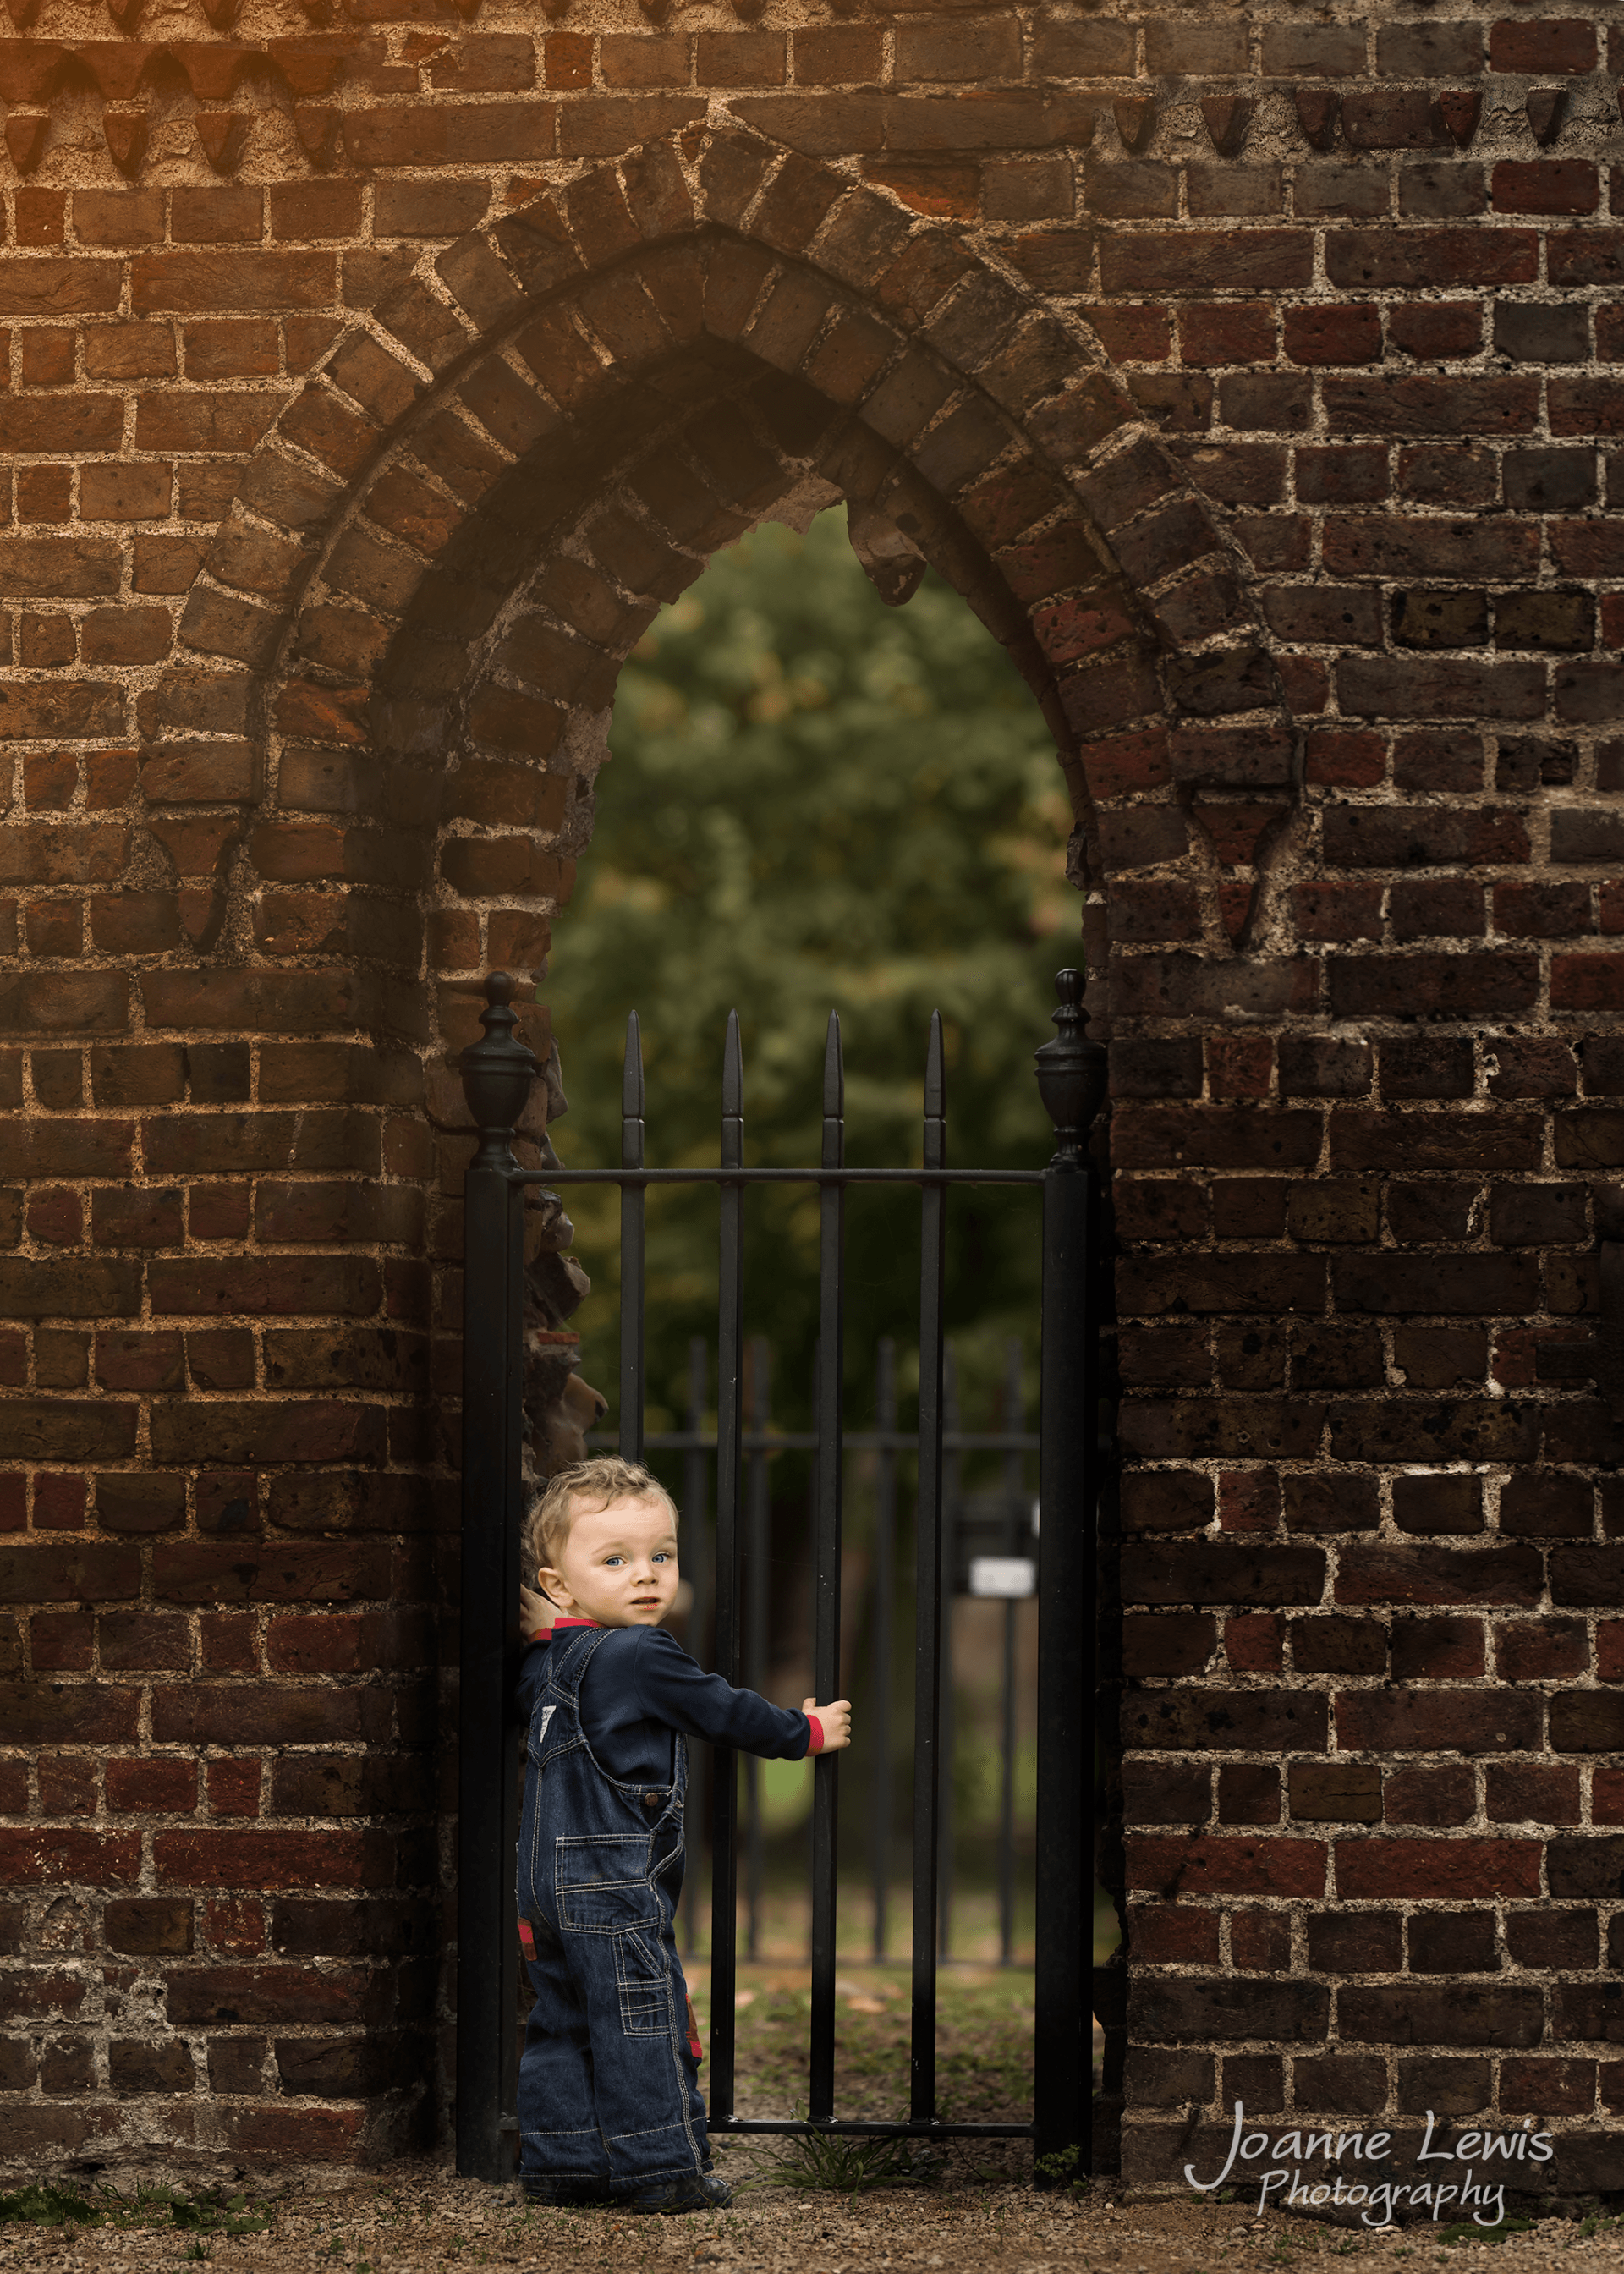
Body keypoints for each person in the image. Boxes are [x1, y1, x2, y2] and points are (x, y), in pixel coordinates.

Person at [513, 1455, 853, 2215]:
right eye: (616, 1560)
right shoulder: (639, 1654)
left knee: (563, 2015)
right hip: (608, 1876)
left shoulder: (547, 1662)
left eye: (660, 1556)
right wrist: (804, 1731)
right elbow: (720, 1707)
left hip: (540, 1879)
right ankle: (659, 2166)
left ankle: (563, 2160)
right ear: (558, 1584)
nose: (646, 1576)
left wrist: (553, 1617)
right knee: (640, 2011)